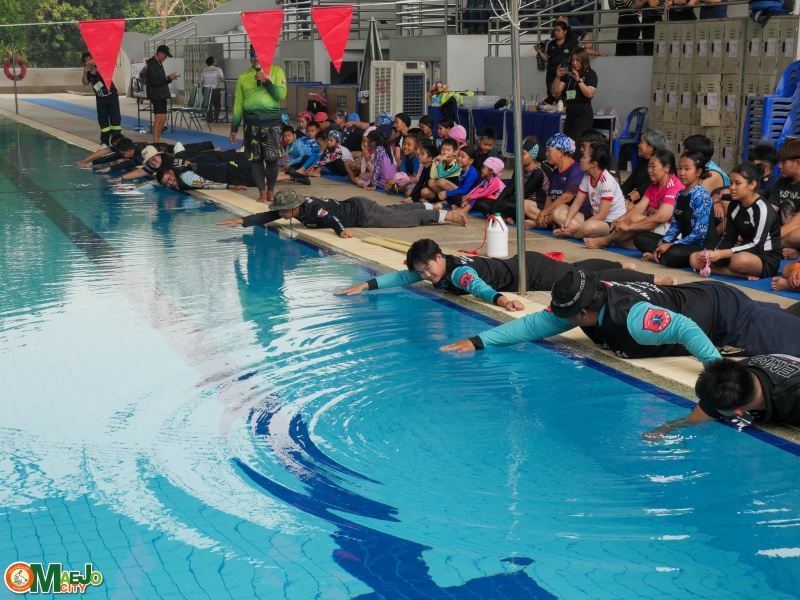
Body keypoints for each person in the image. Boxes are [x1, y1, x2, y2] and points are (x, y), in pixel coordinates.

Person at [441, 270, 800, 362]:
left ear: (584, 312)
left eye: (565, 314)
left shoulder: (632, 318)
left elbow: (686, 328)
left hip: (728, 316)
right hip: (702, 296)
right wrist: (478, 341)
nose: (557, 318)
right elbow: (535, 324)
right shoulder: (588, 300)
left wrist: (716, 371)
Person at [334, 238, 670, 309]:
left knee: (585, 280)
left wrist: (503, 301)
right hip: (521, 263)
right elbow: (402, 276)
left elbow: (479, 288)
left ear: (439, 257)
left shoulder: (457, 274)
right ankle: (622, 267)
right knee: (577, 270)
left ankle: (651, 279)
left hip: (531, 272)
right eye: (422, 271)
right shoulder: (437, 265)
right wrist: (364, 286)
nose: (426, 275)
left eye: (428, 267)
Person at [644, 355, 800, 441]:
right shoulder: (730, 377)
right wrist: (660, 432)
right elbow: (693, 420)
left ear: (737, 411)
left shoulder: (792, 398)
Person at [215, 189, 469, 237]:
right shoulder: (295, 208)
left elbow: (331, 218)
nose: (280, 213)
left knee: (401, 220)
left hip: (361, 214)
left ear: (293, 206)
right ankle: (428, 206)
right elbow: (270, 216)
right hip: (357, 204)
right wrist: (242, 220)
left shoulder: (312, 208)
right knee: (391, 210)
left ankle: (446, 216)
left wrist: (341, 231)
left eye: (283, 209)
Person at [688, 163, 782, 280]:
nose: (732, 187)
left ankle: (726, 269)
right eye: (731, 183)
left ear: (752, 185)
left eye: (737, 183)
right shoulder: (734, 205)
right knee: (695, 258)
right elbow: (729, 238)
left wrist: (720, 254)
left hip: (764, 257)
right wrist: (714, 254)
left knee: (738, 261)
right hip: (740, 251)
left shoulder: (763, 208)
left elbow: (756, 245)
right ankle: (738, 274)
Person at [585, 149, 682, 249]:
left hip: (670, 229)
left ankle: (605, 241)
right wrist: (620, 219)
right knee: (621, 241)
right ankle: (651, 246)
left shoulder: (674, 186)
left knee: (634, 219)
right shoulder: (654, 184)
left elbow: (661, 218)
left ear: (667, 168)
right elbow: (640, 207)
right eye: (649, 166)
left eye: (653, 166)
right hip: (654, 227)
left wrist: (629, 226)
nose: (649, 170)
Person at [637, 152, 717, 268]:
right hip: (684, 242)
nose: (682, 173)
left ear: (698, 172)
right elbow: (675, 226)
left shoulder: (701, 196)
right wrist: (664, 242)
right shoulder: (680, 194)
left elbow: (699, 234)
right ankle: (660, 254)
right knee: (640, 238)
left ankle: (659, 255)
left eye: (687, 169)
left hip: (700, 244)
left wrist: (672, 244)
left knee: (672, 254)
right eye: (679, 168)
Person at [230, 44, 288, 203]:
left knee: (272, 160)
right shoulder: (243, 76)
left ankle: (271, 190)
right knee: (255, 160)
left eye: (259, 54)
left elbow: (281, 95)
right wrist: (234, 127)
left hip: (271, 124)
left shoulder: (276, 71)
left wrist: (265, 81)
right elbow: (238, 103)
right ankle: (261, 191)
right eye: (253, 54)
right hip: (251, 124)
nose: (256, 58)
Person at [552, 143, 627, 240]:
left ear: (593, 164)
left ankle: (570, 232)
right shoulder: (587, 176)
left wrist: (577, 227)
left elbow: (602, 215)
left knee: (589, 227)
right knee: (557, 211)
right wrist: (567, 222)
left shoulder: (607, 181)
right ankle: (570, 230)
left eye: (584, 157)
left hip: (609, 223)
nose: (580, 160)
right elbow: (577, 203)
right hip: (594, 218)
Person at [526, 133, 583, 229]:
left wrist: (543, 213)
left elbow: (566, 198)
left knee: (558, 211)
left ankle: (539, 224)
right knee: (526, 204)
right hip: (555, 212)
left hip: (572, 213)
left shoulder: (576, 170)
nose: (546, 154)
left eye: (549, 150)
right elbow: (549, 197)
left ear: (561, 152)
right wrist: (545, 214)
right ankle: (547, 222)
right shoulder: (555, 172)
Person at [495, 136, 552, 223]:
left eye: (523, 154)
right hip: (522, 202)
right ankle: (505, 216)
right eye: (518, 154)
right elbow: (509, 188)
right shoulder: (519, 168)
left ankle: (506, 216)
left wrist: (500, 205)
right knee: (483, 203)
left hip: (535, 205)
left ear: (532, 156)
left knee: (505, 205)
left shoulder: (538, 173)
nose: (519, 157)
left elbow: (523, 194)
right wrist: (495, 206)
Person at [552, 48, 598, 142]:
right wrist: (557, 77)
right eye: (572, 60)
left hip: (583, 113)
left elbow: (589, 94)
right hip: (570, 112)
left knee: (577, 142)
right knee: (567, 142)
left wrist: (578, 80)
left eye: (577, 60)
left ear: (584, 60)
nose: (574, 63)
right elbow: (556, 92)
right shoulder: (569, 73)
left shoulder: (590, 74)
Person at [81, 52, 121, 148]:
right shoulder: (88, 73)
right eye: (86, 61)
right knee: (103, 121)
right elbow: (85, 82)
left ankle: (117, 141)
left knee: (115, 120)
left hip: (112, 97)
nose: (88, 62)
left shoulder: (101, 67)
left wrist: (97, 70)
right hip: (100, 100)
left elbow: (107, 75)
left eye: (90, 59)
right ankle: (104, 142)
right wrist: (85, 72)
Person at [768, 140, 800, 258]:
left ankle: (767, 246)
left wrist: (765, 239)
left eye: (784, 162)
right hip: (784, 235)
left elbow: (798, 221)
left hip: (790, 234)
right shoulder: (781, 182)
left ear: (798, 163)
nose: (779, 166)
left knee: (797, 235)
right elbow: (769, 211)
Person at [536, 21, 580, 103]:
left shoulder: (571, 43)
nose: (556, 33)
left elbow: (581, 53)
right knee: (551, 93)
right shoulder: (551, 44)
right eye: (555, 30)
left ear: (565, 31)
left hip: (565, 71)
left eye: (558, 30)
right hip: (551, 72)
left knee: (564, 92)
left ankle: (565, 106)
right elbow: (548, 60)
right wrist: (540, 52)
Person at [621, 129, 668, 206]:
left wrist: (628, 199)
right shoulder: (642, 164)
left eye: (641, 142)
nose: (638, 145)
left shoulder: (659, 168)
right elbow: (627, 186)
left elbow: (644, 189)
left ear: (651, 148)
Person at [145, 45, 179, 144]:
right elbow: (155, 81)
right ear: (160, 53)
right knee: (158, 118)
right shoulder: (151, 64)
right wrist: (168, 78)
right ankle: (156, 142)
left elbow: (161, 80)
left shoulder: (159, 64)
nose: (165, 58)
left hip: (162, 94)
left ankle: (157, 139)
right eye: (165, 55)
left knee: (163, 118)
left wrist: (169, 78)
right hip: (156, 94)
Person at [153, 166, 249, 191]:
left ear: (171, 172)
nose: (170, 183)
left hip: (226, 174)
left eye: (169, 179)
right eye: (166, 183)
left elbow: (208, 184)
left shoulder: (188, 179)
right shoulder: (175, 172)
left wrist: (232, 187)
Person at [202, 56, 224, 124]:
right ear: (213, 62)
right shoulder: (218, 69)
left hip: (206, 89)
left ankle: (209, 119)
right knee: (217, 105)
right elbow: (222, 79)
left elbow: (202, 81)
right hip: (215, 89)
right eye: (215, 60)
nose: (216, 60)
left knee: (208, 105)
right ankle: (215, 119)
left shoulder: (205, 70)